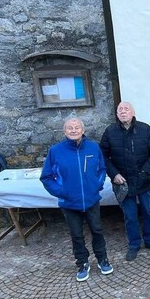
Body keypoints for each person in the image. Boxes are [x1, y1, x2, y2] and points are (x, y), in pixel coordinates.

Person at [40, 118, 113, 281]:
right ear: (64, 132)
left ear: (83, 130)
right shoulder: (56, 151)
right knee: (76, 235)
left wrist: (97, 185)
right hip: (69, 202)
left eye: (77, 127)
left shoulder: (93, 147)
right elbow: (46, 177)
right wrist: (61, 192)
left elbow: (102, 169)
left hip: (91, 199)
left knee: (97, 231)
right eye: (70, 128)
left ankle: (102, 259)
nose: (74, 130)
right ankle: (82, 263)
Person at [100, 102, 150, 261]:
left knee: (149, 212)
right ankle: (134, 244)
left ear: (133, 112)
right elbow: (103, 156)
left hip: (144, 180)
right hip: (123, 183)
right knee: (130, 216)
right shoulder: (110, 131)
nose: (122, 111)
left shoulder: (145, 129)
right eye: (119, 109)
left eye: (126, 109)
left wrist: (145, 171)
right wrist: (114, 174)